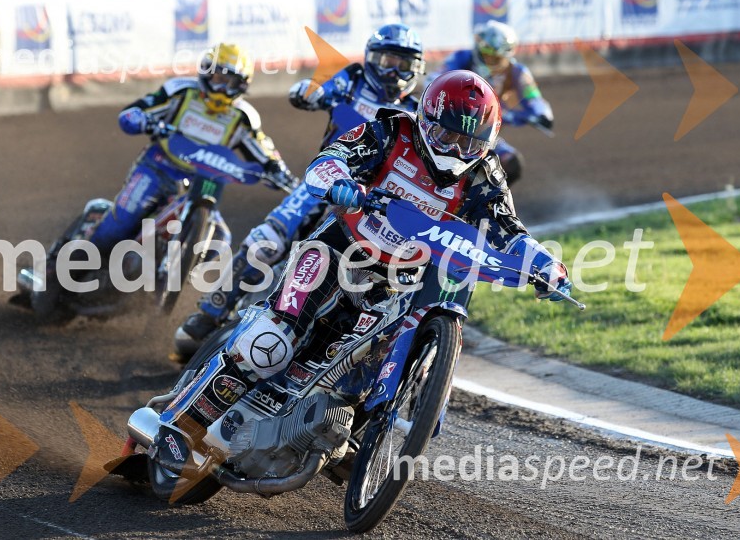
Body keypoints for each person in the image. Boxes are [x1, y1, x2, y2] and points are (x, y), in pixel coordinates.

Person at [153, 70, 572, 472]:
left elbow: (509, 230)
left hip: (395, 285)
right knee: (271, 341)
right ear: (426, 119)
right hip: (336, 250)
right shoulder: (391, 132)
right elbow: (329, 159)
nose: (455, 150)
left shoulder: (484, 175)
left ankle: (334, 438)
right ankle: (179, 427)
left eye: (469, 141)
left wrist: (545, 265)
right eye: (447, 134)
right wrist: (339, 182)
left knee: (342, 374)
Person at [172, 24, 426, 361]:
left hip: (369, 204)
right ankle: (212, 310)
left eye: (403, 64)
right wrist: (311, 92)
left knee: (361, 278)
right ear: (370, 60)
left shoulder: (417, 112)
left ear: (416, 69)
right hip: (325, 182)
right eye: (386, 60)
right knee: (268, 239)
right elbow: (314, 89)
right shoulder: (352, 80)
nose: (393, 71)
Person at [86, 43, 294, 255]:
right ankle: (65, 264)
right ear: (206, 72)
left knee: (219, 243)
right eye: (218, 78)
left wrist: (278, 171)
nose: (222, 88)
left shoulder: (243, 117)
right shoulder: (181, 91)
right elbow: (134, 112)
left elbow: (264, 149)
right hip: (158, 167)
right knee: (118, 225)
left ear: (241, 86)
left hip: (203, 185)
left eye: (230, 82)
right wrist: (142, 120)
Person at [430, 20, 553, 186]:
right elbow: (432, 80)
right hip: (446, 126)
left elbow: (533, 96)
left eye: (495, 58)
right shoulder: (461, 58)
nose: (489, 61)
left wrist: (541, 114)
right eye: (486, 54)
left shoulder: (516, 71)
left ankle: (484, 204)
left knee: (511, 163)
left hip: (482, 136)